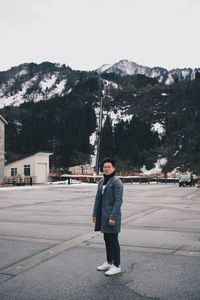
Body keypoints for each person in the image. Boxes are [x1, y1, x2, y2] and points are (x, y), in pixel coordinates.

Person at [92, 157, 123, 276]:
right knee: (106, 239)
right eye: (104, 167)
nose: (106, 169)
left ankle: (117, 265)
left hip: (112, 217)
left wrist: (113, 217)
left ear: (114, 168)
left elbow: (118, 201)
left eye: (109, 167)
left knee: (113, 240)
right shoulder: (101, 181)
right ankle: (110, 262)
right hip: (103, 216)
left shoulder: (117, 182)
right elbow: (97, 199)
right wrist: (95, 214)